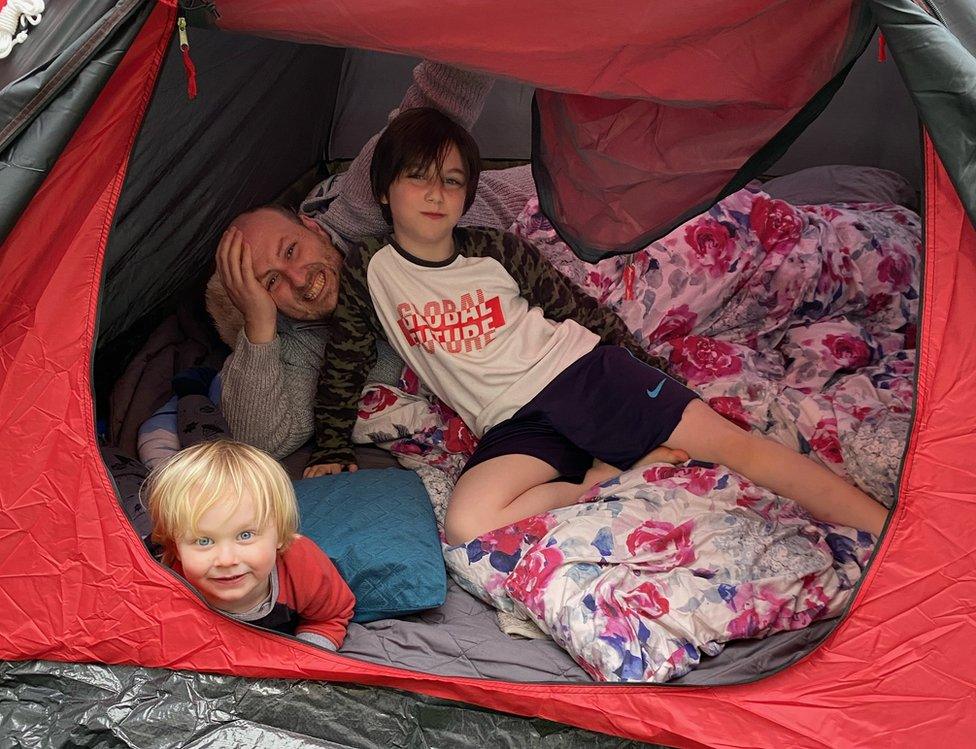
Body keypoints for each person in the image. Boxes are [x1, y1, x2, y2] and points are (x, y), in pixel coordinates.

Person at [305, 107, 889, 545]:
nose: (436, 194)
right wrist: (330, 446)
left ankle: (891, 534)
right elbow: (346, 360)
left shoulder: (494, 250)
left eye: (452, 180)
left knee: (740, 450)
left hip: (582, 373)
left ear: (467, 195)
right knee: (466, 525)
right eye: (417, 177)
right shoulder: (369, 270)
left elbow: (577, 310)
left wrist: (646, 373)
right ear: (384, 190)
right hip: (509, 421)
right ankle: (605, 475)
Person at [210, 61, 537, 459]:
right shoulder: (298, 344)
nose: (298, 279)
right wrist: (259, 326)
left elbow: (439, 101)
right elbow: (263, 443)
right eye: (271, 282)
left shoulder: (364, 200)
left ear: (312, 226)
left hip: (553, 212)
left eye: (291, 251)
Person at [145, 439, 355, 650]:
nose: (226, 560)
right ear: (176, 548)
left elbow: (329, 617)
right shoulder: (162, 582)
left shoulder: (302, 564)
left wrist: (303, 657)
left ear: (280, 534)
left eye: (245, 535)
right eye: (204, 541)